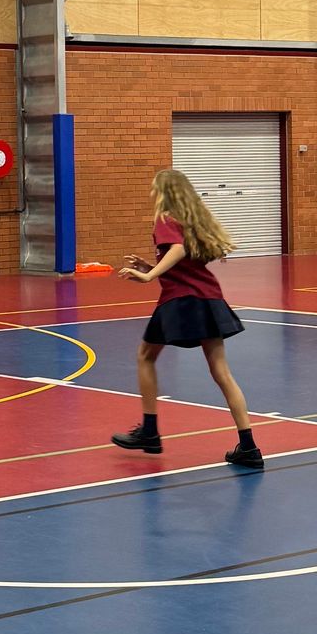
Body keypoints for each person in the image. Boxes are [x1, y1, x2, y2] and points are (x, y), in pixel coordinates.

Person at [110, 169, 262, 469]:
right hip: (209, 299)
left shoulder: (166, 217)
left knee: (145, 356)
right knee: (222, 372)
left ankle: (150, 432)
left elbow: (178, 250)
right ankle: (249, 447)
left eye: (155, 188)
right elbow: (184, 261)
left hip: (181, 301)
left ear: (165, 192)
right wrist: (152, 265)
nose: (152, 193)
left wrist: (149, 275)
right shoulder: (191, 221)